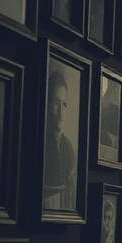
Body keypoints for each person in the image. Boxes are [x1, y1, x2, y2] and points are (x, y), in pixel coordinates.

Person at [44, 69, 77, 211]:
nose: (61, 112)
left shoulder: (68, 147)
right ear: (48, 103)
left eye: (64, 104)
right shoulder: (41, 143)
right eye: (57, 103)